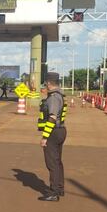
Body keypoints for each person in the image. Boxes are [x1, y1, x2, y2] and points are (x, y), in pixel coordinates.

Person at [37, 72, 67, 202]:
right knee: (57, 161)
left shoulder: (54, 97)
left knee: (52, 163)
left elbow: (52, 117)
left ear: (49, 83)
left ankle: (53, 192)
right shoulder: (60, 95)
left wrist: (45, 137)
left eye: (45, 83)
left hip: (53, 132)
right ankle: (59, 188)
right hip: (60, 131)